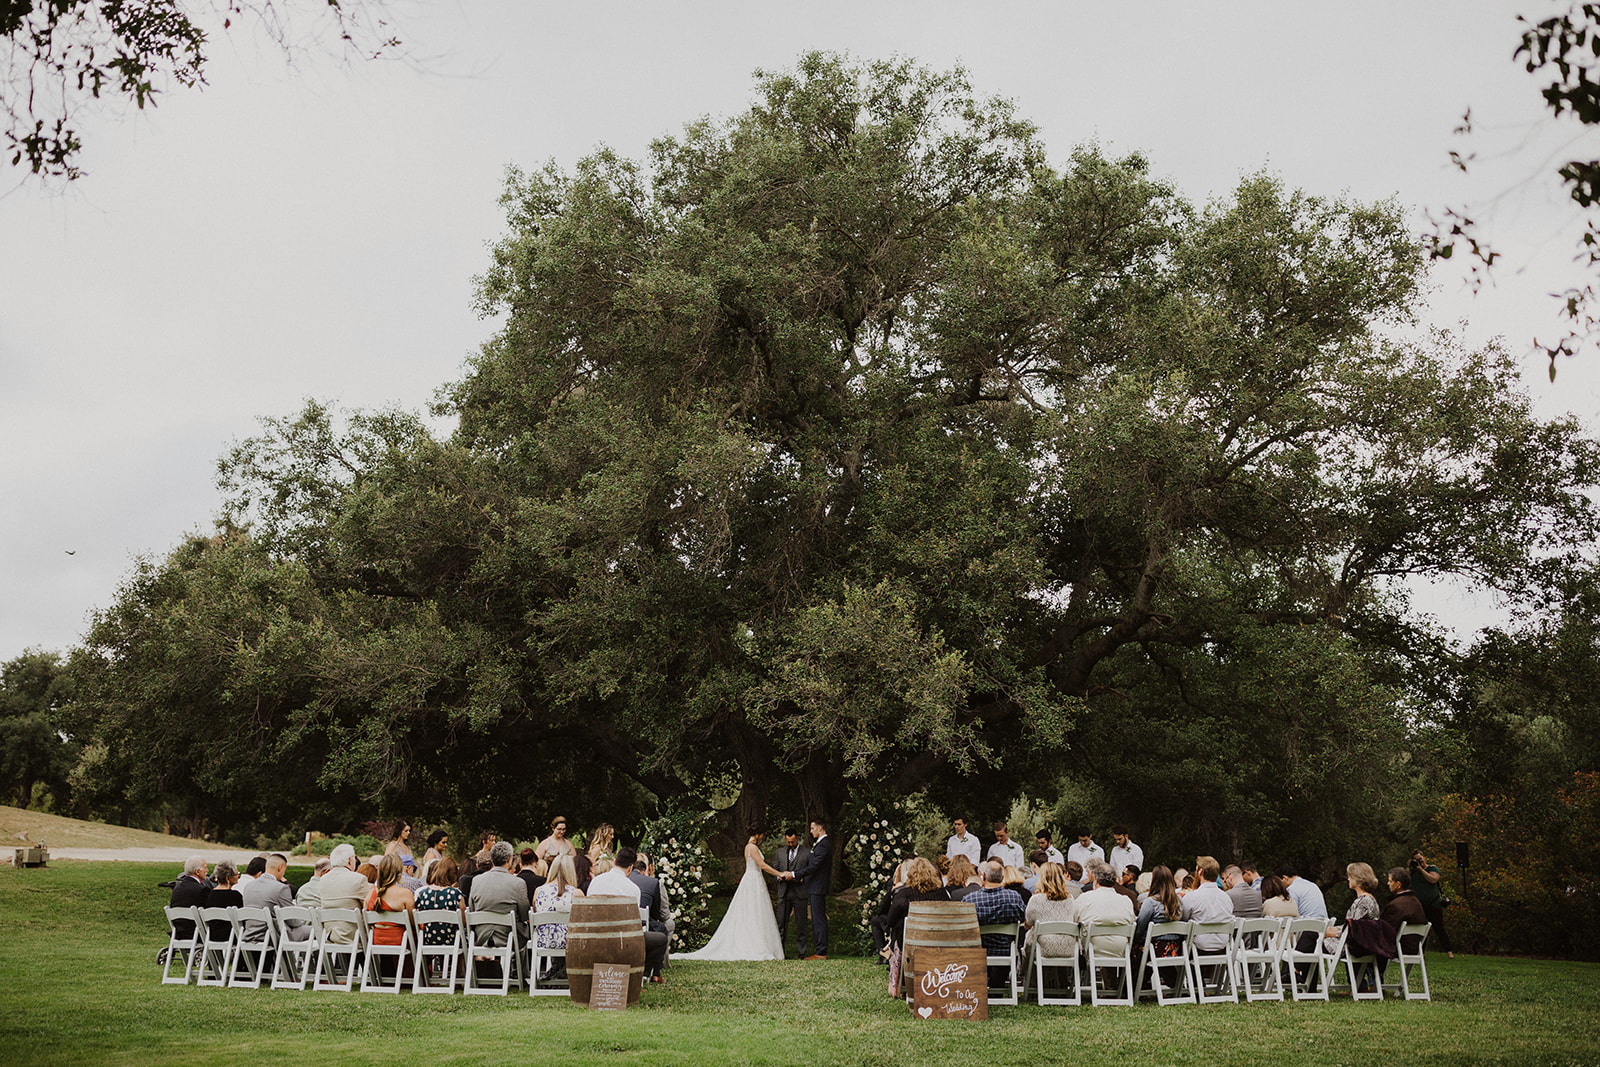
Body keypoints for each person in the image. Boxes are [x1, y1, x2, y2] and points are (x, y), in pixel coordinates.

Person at [678, 825, 787, 961]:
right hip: (753, 879)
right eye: (763, 835)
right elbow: (762, 865)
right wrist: (780, 874)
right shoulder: (752, 847)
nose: (763, 837)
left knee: (756, 911)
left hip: (754, 879)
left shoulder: (749, 846)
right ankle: (755, 946)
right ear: (758, 834)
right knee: (754, 911)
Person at [589, 847, 671, 981]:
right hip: (621, 939)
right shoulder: (632, 888)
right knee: (660, 939)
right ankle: (640, 975)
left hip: (595, 934)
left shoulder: (596, 881)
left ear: (615, 861)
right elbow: (633, 921)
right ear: (631, 867)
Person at [782, 819, 834, 960]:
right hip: (815, 885)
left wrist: (793, 874)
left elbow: (814, 867)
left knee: (818, 919)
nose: (810, 831)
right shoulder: (821, 844)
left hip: (818, 887)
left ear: (820, 827)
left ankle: (821, 952)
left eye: (812, 828)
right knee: (817, 918)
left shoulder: (823, 845)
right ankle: (820, 950)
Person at [971, 859, 1027, 988]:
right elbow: (1023, 918)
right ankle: (997, 986)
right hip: (1005, 950)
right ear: (1002, 877)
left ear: (983, 876)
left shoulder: (971, 899)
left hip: (979, 950)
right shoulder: (1014, 897)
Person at [468, 841, 530, 947]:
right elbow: (524, 915)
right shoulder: (518, 883)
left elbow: (472, 909)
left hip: (481, 936)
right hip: (510, 937)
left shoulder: (476, 880)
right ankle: (520, 964)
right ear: (509, 859)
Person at [367, 853, 416, 977]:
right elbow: (413, 922)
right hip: (399, 940)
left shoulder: (371, 894)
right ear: (399, 872)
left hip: (377, 940)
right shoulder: (405, 894)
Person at [240, 852, 304, 941]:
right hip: (273, 936)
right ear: (280, 867)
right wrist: (304, 920)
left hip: (250, 934)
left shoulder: (248, 886)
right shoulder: (281, 888)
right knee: (315, 931)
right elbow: (293, 920)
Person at [1133, 865, 1184, 974]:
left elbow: (1140, 927)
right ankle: (1172, 982)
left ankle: (1134, 984)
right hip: (1174, 947)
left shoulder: (1150, 902)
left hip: (1153, 948)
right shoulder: (1178, 900)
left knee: (1134, 950)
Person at [533, 854, 584, 961]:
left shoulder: (539, 891)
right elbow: (583, 920)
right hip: (569, 941)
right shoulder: (576, 893)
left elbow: (535, 911)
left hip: (543, 940)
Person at [771, 828, 812, 958]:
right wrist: (779, 876)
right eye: (788, 842)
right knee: (781, 924)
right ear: (785, 839)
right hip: (784, 893)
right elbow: (775, 870)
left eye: (793, 842)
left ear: (798, 838)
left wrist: (800, 878)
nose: (790, 844)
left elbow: (811, 871)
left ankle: (802, 952)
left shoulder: (807, 853)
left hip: (800, 893)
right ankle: (780, 952)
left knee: (801, 924)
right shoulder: (779, 853)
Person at [1179, 856, 1234, 954]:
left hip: (1199, 948)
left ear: (1200, 872)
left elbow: (1184, 920)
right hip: (1222, 947)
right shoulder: (1227, 898)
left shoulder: (1192, 897)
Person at [319, 843, 371, 944]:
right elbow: (370, 906)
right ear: (350, 861)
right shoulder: (359, 879)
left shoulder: (323, 880)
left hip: (331, 936)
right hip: (355, 937)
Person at [1023, 862, 1077, 958]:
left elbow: (1028, 923)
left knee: (1029, 941)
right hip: (1067, 947)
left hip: (1042, 948)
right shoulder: (1070, 899)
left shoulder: (1036, 899)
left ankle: (1028, 972)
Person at [1324, 861, 1380, 953]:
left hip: (1350, 947)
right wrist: (1334, 929)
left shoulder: (1363, 902)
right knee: (1313, 937)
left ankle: (1296, 967)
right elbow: (1352, 927)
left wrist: (1330, 933)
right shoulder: (1370, 900)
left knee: (1311, 936)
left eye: (1350, 876)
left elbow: (1352, 932)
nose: (1348, 879)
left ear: (1357, 878)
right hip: (1363, 946)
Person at [1409, 850, 1454, 958]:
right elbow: (1405, 879)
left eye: (1420, 859)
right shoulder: (1413, 871)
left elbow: (1433, 879)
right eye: (1416, 859)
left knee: (1439, 928)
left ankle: (1449, 951)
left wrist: (1421, 869)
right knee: (1421, 929)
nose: (1419, 861)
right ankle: (1421, 952)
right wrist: (1411, 867)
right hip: (1420, 905)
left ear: (1424, 857)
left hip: (1434, 903)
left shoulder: (1432, 868)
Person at [414, 856, 465, 949]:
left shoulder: (423, 893)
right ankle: (458, 963)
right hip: (452, 941)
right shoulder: (455, 894)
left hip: (428, 940)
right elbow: (463, 922)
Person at [1382, 867, 1429, 954]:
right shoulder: (1416, 901)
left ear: (1398, 885)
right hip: (1416, 947)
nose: (1388, 883)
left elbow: (1386, 931)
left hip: (1399, 948)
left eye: (1390, 881)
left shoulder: (1395, 905)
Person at [167, 855, 210, 941]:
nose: (207, 870)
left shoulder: (177, 888)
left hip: (178, 933)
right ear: (197, 871)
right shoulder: (202, 890)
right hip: (196, 934)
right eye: (205, 868)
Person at [202, 861, 244, 944]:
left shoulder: (210, 895)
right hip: (231, 936)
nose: (238, 876)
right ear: (228, 878)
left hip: (213, 936)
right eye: (236, 874)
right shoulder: (235, 896)